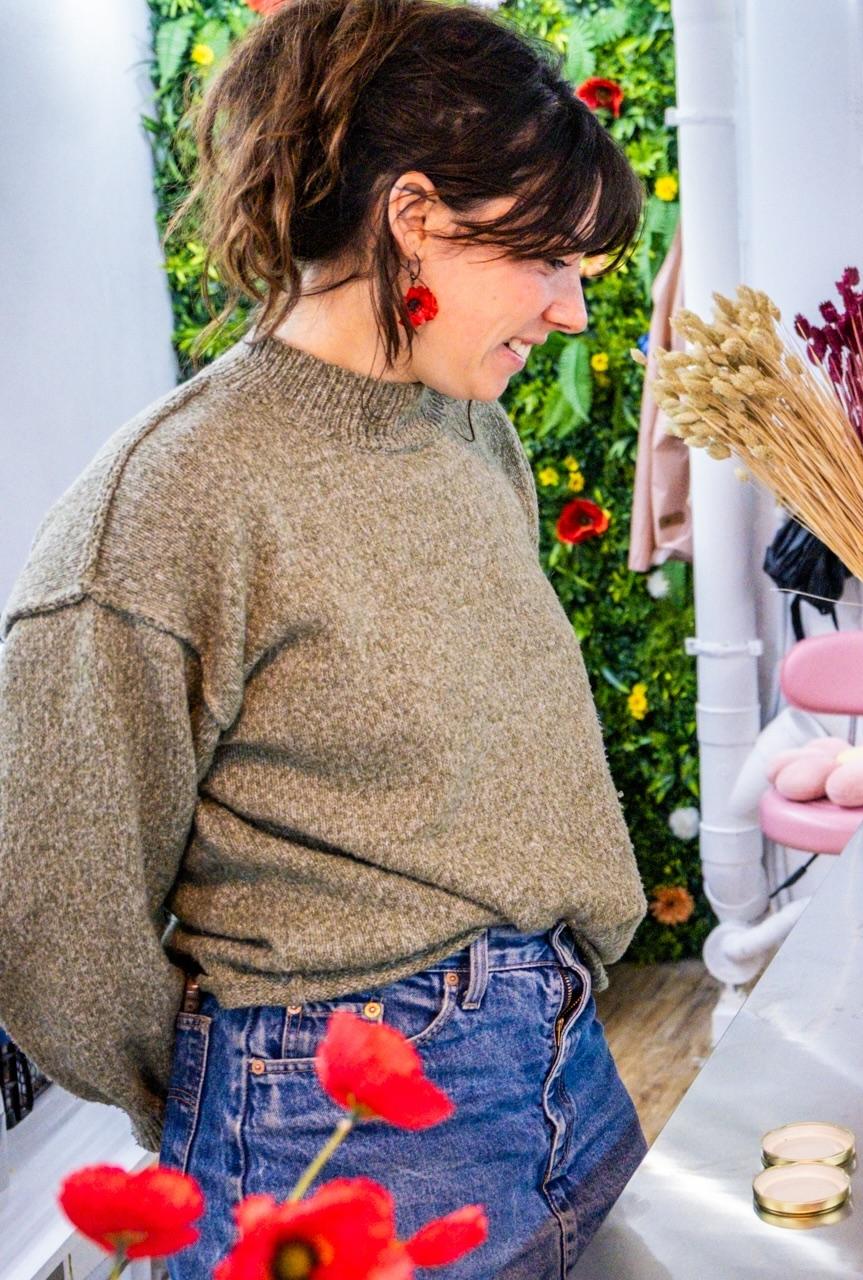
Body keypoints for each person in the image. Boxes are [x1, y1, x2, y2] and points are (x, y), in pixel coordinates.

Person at [0, 1, 648, 1273]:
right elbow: (53, 920)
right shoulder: (174, 499)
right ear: (416, 219)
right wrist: (238, 1087)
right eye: (547, 261)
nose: (571, 313)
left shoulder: (473, 434)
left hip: (562, 1074)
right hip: (336, 1141)